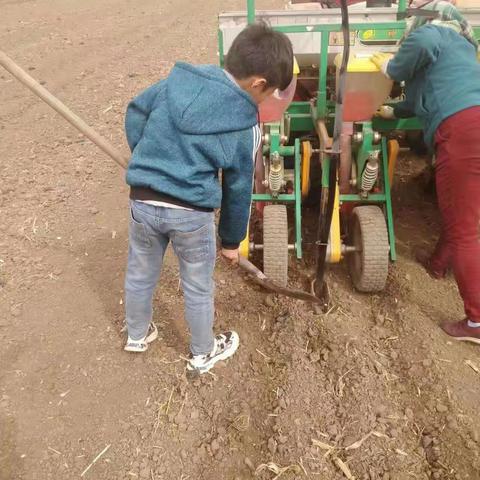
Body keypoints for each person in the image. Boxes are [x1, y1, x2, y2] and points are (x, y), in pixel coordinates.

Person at [122, 23, 294, 374]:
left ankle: (137, 335)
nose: (265, 100)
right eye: (269, 92)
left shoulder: (176, 83)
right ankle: (202, 353)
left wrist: (145, 155)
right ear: (258, 83)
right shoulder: (245, 125)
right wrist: (232, 240)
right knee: (197, 285)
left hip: (143, 201)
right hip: (190, 213)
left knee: (140, 272)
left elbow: (136, 111)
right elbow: (238, 187)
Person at [374, 1, 480, 343]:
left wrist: (391, 68)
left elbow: (422, 42)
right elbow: (420, 99)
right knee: (461, 209)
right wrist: (392, 110)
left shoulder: (437, 35)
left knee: (465, 231)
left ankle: (477, 322)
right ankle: (438, 263)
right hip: (472, 124)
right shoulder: (461, 52)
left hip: (464, 130)